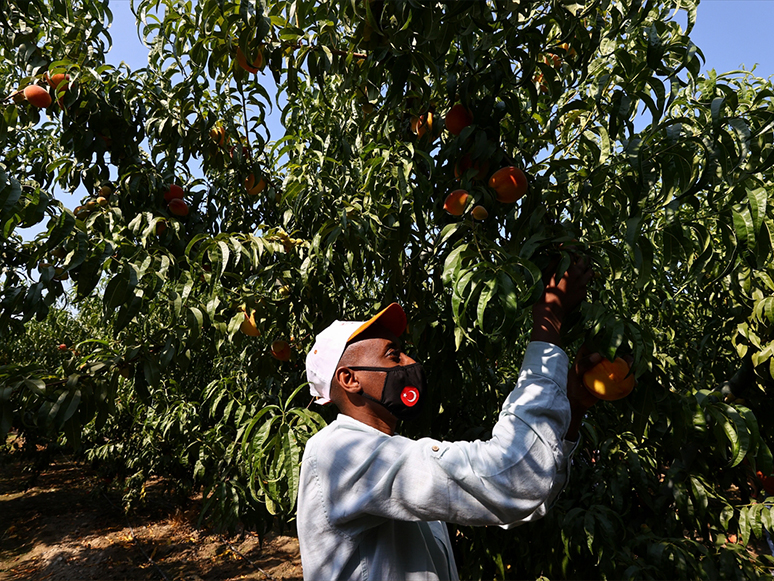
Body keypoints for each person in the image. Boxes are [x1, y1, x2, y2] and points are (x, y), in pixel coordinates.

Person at [297, 258, 599, 580]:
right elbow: (508, 480)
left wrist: (574, 406)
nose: (410, 362)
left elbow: (521, 497)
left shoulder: (394, 460)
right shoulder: (340, 453)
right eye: (393, 354)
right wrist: (548, 319)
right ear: (349, 379)